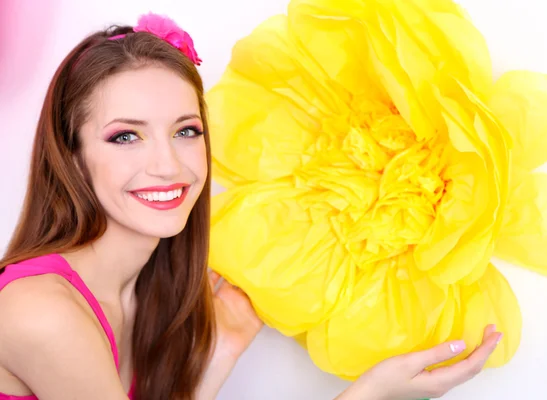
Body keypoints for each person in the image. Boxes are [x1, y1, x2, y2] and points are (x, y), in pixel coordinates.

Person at [0, 13, 503, 400]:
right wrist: (369, 393)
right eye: (126, 136)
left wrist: (220, 353)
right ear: (71, 157)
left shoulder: (138, 293)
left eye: (186, 131)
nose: (168, 165)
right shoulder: (40, 311)